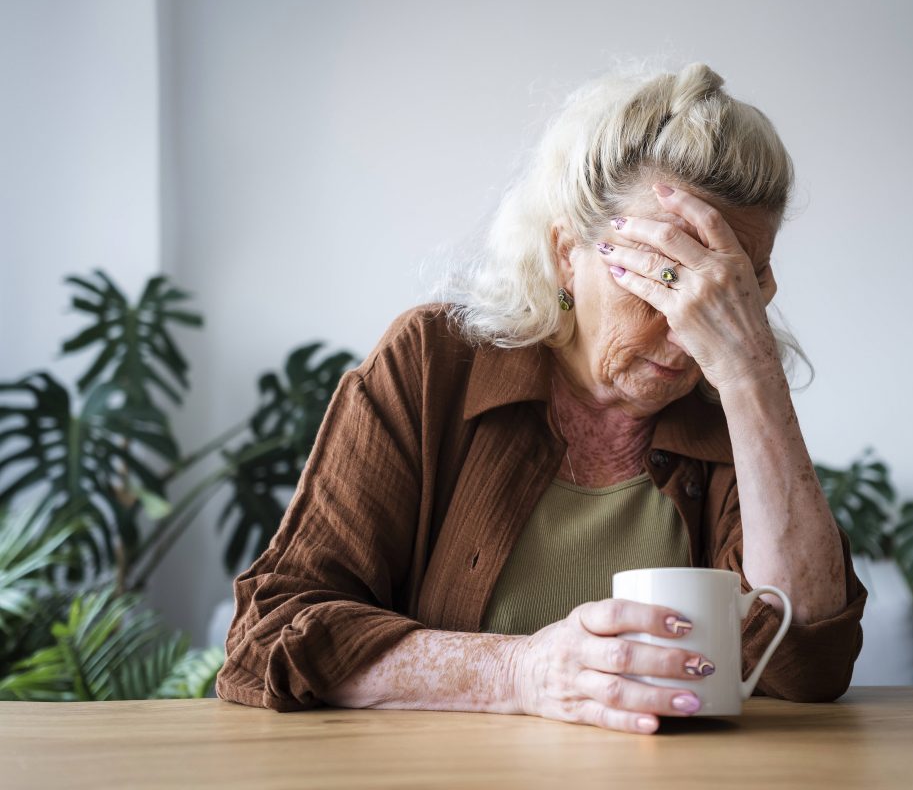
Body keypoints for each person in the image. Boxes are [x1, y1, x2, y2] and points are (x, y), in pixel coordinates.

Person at [215, 61, 867, 735]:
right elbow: (270, 634)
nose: (685, 332)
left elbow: (809, 664)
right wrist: (521, 672)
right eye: (658, 277)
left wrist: (752, 374)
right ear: (565, 254)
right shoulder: (433, 365)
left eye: (723, 293)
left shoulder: (730, 400)